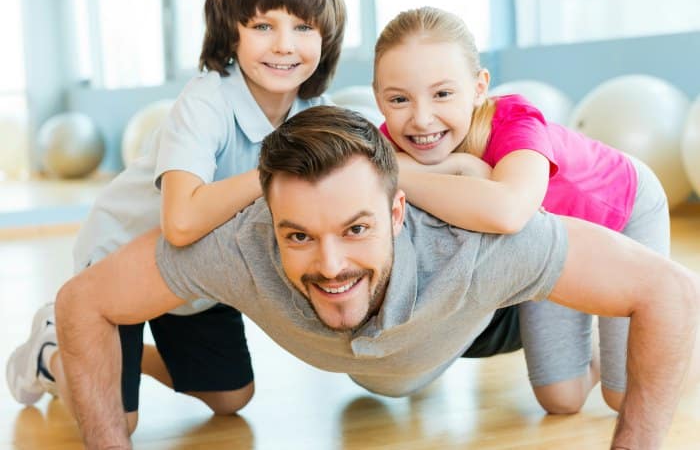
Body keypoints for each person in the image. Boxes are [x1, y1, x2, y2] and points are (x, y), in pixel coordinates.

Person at [11, 106, 699, 449]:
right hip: (395, 358)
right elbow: (84, 301)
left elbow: (669, 289)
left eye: (357, 228)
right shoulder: (241, 243)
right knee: (228, 397)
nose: (331, 263)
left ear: (399, 209)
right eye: (300, 236)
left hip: (470, 320)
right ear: (267, 218)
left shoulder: (482, 246)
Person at [5, 0, 346, 432]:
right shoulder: (207, 99)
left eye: (303, 27)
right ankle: (51, 354)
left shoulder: (314, 111)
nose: (284, 44)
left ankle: (114, 357)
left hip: (195, 277)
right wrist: (276, 170)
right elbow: (181, 222)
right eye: (263, 26)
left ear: (326, 36)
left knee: (232, 397)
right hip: (120, 260)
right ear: (233, 32)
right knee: (121, 421)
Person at [372, 6, 670, 414]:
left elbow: (510, 212)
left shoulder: (514, 120)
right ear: (378, 98)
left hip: (625, 212)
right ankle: (612, 351)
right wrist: (460, 168)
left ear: (479, 88)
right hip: (551, 246)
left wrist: (411, 173)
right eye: (399, 99)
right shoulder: (387, 141)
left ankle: (681, 324)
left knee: (624, 398)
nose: (422, 119)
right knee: (560, 400)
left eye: (442, 93)